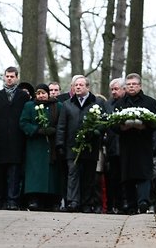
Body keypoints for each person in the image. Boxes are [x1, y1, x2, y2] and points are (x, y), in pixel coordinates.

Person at [56, 76, 107, 213]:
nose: (77, 87)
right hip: (72, 146)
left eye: (80, 85)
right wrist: (60, 144)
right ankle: (73, 201)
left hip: (90, 146)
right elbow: (62, 126)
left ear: (87, 87)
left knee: (88, 176)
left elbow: (104, 122)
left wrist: (96, 132)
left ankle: (86, 203)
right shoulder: (67, 104)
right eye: (75, 85)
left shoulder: (97, 103)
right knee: (73, 174)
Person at [113, 73, 156, 214]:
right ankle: (131, 205)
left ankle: (143, 201)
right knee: (127, 175)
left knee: (144, 173)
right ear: (125, 87)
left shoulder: (150, 102)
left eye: (134, 84)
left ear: (140, 86)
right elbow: (112, 124)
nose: (131, 87)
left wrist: (145, 126)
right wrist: (122, 127)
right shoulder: (120, 103)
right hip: (126, 143)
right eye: (129, 84)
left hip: (143, 143)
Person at [0, 66, 29, 210]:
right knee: (1, 172)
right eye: (7, 76)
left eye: (12, 76)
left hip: (17, 140)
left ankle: (12, 200)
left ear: (17, 77)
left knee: (14, 172)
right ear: (4, 77)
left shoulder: (23, 96)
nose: (9, 79)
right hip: (0, 140)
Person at [19, 84, 62, 211]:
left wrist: (54, 130)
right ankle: (34, 199)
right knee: (35, 173)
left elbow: (63, 122)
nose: (41, 95)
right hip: (35, 145)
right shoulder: (30, 106)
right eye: (38, 93)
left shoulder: (57, 106)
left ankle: (52, 200)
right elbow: (23, 122)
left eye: (43, 93)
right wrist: (36, 130)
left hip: (52, 145)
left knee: (52, 175)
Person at [103, 78, 126, 214]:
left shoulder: (127, 103)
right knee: (113, 178)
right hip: (112, 146)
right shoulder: (108, 104)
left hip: (125, 146)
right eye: (112, 89)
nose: (114, 92)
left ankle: (125, 204)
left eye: (116, 89)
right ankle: (113, 205)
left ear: (123, 89)